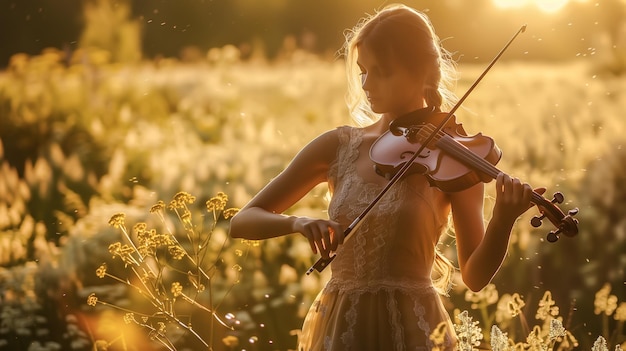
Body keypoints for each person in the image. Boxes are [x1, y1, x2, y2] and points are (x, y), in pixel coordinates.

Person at [229, 3, 539, 350]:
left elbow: (475, 276)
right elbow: (242, 221)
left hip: (412, 328)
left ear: (423, 73)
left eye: (382, 72)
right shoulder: (337, 146)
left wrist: (502, 220)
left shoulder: (454, 158)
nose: (366, 83)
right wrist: (298, 223)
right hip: (341, 321)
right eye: (363, 70)